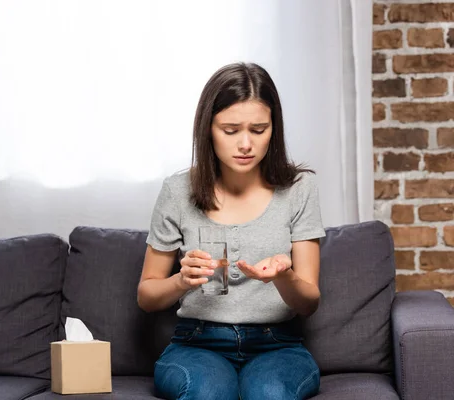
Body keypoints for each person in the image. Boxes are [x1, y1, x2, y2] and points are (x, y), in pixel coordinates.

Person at [137, 62, 325, 400]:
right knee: (207, 393)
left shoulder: (299, 188)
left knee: (270, 393)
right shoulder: (178, 191)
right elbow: (146, 296)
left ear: (274, 128)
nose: (245, 144)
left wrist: (284, 276)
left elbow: (309, 301)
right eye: (230, 129)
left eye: (258, 129)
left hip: (278, 344)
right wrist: (182, 280)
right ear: (208, 128)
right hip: (196, 342)